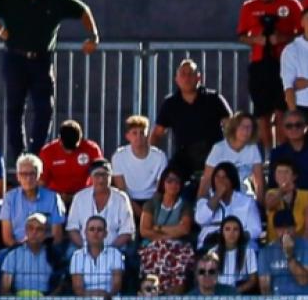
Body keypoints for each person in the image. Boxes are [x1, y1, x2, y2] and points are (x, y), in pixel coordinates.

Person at [0, 0, 100, 157]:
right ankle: (19, 155)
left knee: (44, 108)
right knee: (15, 108)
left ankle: (37, 153)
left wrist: (93, 36)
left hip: (41, 59)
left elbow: (83, 10)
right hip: (15, 57)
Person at [235, 0, 304, 150]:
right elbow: (241, 36)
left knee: (282, 110)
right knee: (262, 112)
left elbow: (302, 32)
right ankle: (267, 152)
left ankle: (283, 148)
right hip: (260, 63)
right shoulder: (248, 7)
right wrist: (256, 40)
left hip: (284, 63)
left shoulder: (291, 4)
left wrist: (283, 37)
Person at [153, 59, 234, 187]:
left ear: (198, 77)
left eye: (190, 74)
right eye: (183, 74)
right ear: (177, 79)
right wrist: (149, 158)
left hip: (214, 155)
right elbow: (157, 134)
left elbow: (231, 126)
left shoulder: (214, 99)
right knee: (168, 181)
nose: (187, 78)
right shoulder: (170, 103)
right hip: (184, 157)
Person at [0, 214, 58, 300]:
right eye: (30, 228)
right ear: (25, 230)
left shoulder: (54, 255)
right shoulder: (13, 255)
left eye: (39, 229)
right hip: (18, 299)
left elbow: (60, 286)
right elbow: (5, 288)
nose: (34, 233)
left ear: (46, 233)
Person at [137, 167, 197, 292]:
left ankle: (175, 295)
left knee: (179, 257)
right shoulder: (151, 204)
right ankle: (159, 292)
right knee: (160, 250)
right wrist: (167, 236)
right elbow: (144, 230)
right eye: (169, 181)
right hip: (153, 245)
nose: (173, 185)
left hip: (178, 247)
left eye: (177, 182)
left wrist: (158, 228)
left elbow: (184, 229)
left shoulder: (185, 206)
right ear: (163, 183)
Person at [0, 153, 65, 249]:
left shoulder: (53, 198)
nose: (28, 178)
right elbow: (7, 238)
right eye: (24, 174)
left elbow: (57, 236)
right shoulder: (9, 199)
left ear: (39, 175)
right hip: (18, 248)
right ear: (17, 176)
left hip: (46, 249)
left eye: (32, 173)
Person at [66, 162, 135, 251]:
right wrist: (85, 248)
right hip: (83, 247)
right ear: (91, 177)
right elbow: (72, 228)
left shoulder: (121, 198)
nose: (101, 179)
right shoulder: (79, 197)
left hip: (114, 247)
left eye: (105, 175)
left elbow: (127, 230)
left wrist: (109, 251)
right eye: (97, 175)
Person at [203, 112, 266, 207]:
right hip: (221, 199)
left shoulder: (253, 148)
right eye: (242, 126)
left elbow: (259, 180)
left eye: (249, 127)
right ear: (234, 128)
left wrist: (259, 205)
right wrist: (201, 203)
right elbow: (207, 179)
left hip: (245, 199)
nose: (246, 131)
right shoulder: (219, 148)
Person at [194, 163, 263, 249]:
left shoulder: (247, 202)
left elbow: (256, 229)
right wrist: (218, 195)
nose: (220, 181)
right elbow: (200, 219)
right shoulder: (205, 201)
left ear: (232, 180)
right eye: (217, 177)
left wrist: (235, 238)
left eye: (224, 177)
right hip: (211, 244)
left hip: (240, 244)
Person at [38, 120, 103, 207]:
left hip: (84, 197)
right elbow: (41, 182)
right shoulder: (47, 152)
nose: (69, 152)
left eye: (73, 148)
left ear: (81, 138)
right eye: (66, 148)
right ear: (59, 139)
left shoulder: (92, 149)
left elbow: (100, 176)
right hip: (56, 198)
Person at [111, 115, 168, 205]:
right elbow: (121, 189)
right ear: (127, 136)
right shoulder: (118, 156)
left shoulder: (160, 157)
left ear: (147, 135)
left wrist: (148, 211)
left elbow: (160, 189)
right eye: (134, 133)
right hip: (128, 201)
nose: (138, 137)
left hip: (153, 202)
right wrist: (139, 212)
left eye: (142, 133)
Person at [69, 217, 125, 300]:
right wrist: (94, 295)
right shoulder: (77, 256)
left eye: (99, 229)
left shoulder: (115, 254)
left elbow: (117, 285)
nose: (95, 232)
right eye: (92, 229)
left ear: (105, 233)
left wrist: (107, 297)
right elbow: (78, 288)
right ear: (85, 233)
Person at [265, 160, 308, 242]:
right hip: (274, 245)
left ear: (294, 176)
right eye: (279, 172)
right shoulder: (270, 194)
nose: (282, 175)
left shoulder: (306, 196)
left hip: (299, 245)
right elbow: (270, 204)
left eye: (286, 172)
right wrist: (282, 191)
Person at [269, 107, 308, 182]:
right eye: (289, 126)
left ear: (305, 127)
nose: (294, 128)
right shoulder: (277, 153)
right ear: (283, 129)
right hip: (285, 193)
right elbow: (272, 185)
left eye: (298, 125)